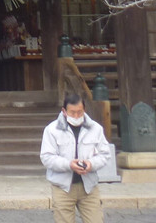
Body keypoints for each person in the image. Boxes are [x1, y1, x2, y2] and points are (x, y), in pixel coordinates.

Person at [40, 92, 111, 223]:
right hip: (62, 187)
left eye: (80, 112)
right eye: (72, 112)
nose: (77, 116)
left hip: (89, 187)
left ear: (84, 110)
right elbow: (46, 157)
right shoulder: (52, 130)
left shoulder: (96, 128)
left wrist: (91, 164)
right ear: (64, 111)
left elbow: (105, 154)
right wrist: (69, 165)